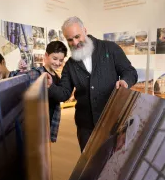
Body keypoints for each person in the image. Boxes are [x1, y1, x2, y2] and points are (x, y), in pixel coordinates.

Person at [47, 16, 138, 152]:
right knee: (91, 168)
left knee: (111, 164)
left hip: (113, 122)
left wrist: (125, 81)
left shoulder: (110, 49)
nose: (75, 42)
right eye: (70, 40)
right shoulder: (70, 65)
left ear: (85, 30)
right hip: (86, 128)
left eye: (78, 36)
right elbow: (64, 94)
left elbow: (130, 72)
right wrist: (50, 86)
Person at [36, 41, 68, 142]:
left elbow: (61, 95)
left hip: (49, 121)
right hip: (37, 121)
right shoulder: (37, 73)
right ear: (46, 55)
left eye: (61, 60)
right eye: (55, 58)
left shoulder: (57, 78)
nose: (57, 63)